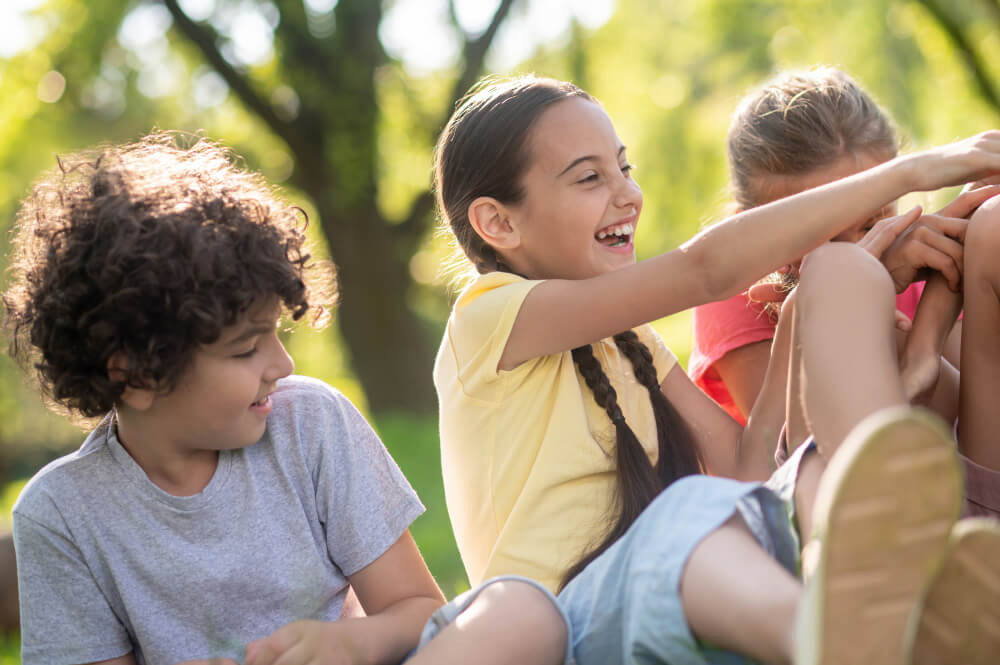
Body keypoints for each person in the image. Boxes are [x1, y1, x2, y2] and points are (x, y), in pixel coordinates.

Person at [433, 74, 1000, 664]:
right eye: (589, 177)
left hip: (692, 594)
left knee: (837, 277)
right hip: (570, 631)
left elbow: (749, 469)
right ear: (498, 223)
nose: (628, 195)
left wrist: (820, 303)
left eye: (624, 169)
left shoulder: (632, 342)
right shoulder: (485, 320)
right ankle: (836, 642)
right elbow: (702, 269)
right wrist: (910, 172)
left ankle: (900, 572)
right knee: (688, 515)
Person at [1, 133, 569, 665]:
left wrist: (346, 643)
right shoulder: (60, 514)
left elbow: (419, 610)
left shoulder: (311, 423)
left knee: (521, 610)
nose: (283, 365)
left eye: (278, 333)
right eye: (246, 348)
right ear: (136, 377)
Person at [690, 66, 986, 426]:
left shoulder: (922, 262)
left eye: (872, 223)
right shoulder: (737, 291)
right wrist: (861, 296)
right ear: (748, 226)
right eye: (819, 236)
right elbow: (798, 446)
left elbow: (966, 423)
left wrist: (930, 324)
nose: (855, 251)